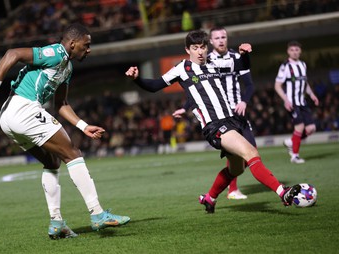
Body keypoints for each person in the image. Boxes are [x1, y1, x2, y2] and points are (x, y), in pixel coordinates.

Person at [0, 23, 130, 239]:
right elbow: (13, 53)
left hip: (9, 118)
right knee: (73, 154)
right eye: (86, 45)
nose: (89, 49)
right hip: (23, 108)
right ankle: (98, 214)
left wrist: (83, 126)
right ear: (72, 43)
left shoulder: (67, 68)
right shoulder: (56, 53)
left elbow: (61, 104)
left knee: (52, 162)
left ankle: (56, 223)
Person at [125, 29, 301, 214]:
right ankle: (283, 193)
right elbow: (155, 86)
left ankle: (209, 198)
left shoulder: (213, 63)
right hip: (215, 126)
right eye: (195, 48)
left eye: (203, 47)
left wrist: (244, 55)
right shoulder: (181, 69)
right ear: (188, 50)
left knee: (236, 170)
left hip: (232, 121)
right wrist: (137, 79)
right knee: (251, 153)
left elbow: (241, 67)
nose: (200, 52)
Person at [172, 26, 256, 200]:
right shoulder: (204, 60)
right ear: (210, 42)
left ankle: (219, 193)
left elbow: (249, 84)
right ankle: (232, 189)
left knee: (250, 151)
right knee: (241, 152)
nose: (221, 40)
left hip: (237, 111)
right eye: (217, 38)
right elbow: (197, 90)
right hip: (219, 115)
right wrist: (185, 107)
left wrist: (244, 101)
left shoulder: (236, 58)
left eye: (223, 37)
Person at [274, 40, 319, 164]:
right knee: (299, 127)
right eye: (292, 50)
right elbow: (277, 86)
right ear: (288, 52)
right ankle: (295, 156)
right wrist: (286, 100)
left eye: (297, 50)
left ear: (300, 51)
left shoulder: (303, 65)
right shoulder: (285, 66)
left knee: (311, 128)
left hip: (302, 102)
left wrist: (312, 94)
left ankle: (290, 142)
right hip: (292, 103)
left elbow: (304, 83)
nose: (294, 52)